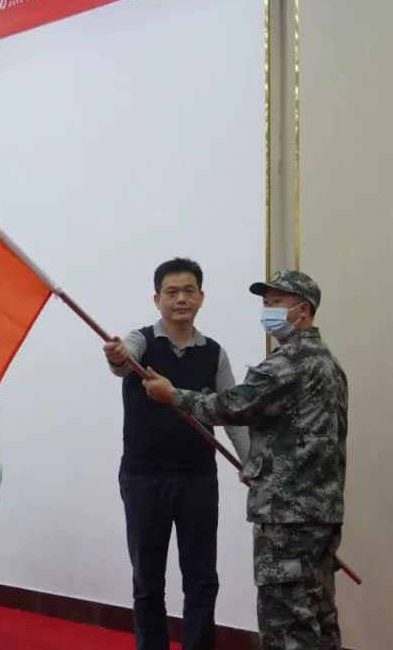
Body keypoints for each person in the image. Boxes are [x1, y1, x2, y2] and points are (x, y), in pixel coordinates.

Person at [142, 269, 347, 650]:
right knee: (319, 617)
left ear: (302, 310)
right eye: (265, 303)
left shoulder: (289, 363)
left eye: (277, 303)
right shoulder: (328, 362)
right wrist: (259, 464)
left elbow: (232, 406)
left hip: (287, 516)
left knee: (288, 625)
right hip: (320, 511)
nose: (268, 310)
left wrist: (173, 395)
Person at [103, 257, 249, 650]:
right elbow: (121, 360)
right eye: (171, 292)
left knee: (202, 579)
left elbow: (232, 415)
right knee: (147, 581)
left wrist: (250, 462)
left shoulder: (214, 353)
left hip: (198, 479)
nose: (180, 299)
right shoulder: (140, 342)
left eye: (188, 291)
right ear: (157, 299)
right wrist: (116, 354)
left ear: (201, 297)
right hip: (143, 479)